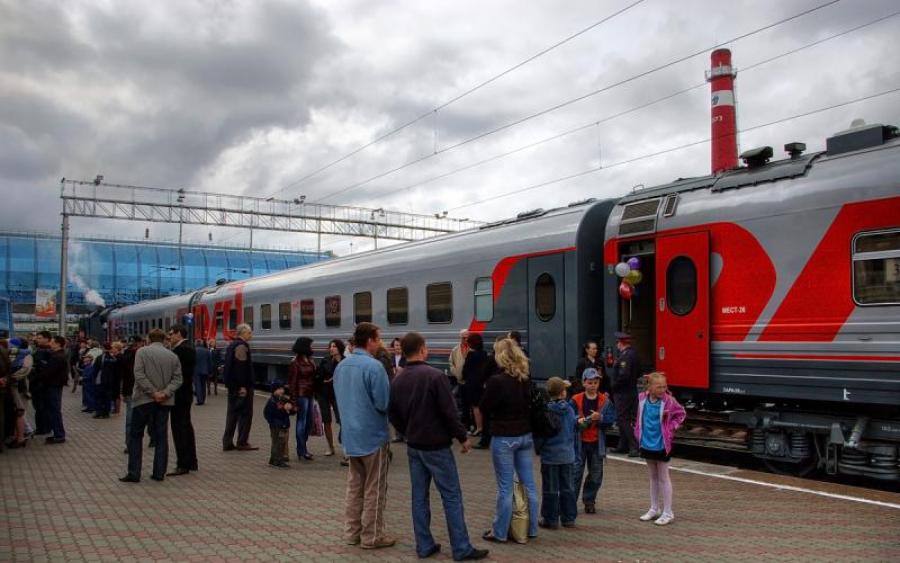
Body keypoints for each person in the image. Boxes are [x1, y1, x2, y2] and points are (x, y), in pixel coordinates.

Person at [388, 332, 489, 561]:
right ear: (423, 349)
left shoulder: (398, 379)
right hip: (437, 446)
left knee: (419, 496)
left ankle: (424, 545)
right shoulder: (435, 377)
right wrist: (463, 437)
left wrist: (407, 429)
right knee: (451, 496)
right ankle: (461, 548)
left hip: (414, 446)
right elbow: (449, 412)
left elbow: (392, 412)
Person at [333, 322, 394, 550]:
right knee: (374, 489)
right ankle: (372, 536)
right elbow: (383, 403)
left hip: (351, 436)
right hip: (373, 436)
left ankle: (352, 533)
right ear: (369, 340)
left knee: (354, 486)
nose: (380, 343)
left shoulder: (342, 366)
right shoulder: (374, 367)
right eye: (378, 339)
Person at [478, 338, 538, 543]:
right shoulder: (525, 379)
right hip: (525, 435)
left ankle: (500, 531)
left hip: (504, 436)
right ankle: (531, 529)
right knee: (528, 483)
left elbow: (484, 407)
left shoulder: (496, 381)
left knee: (505, 487)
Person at [121, 329, 183, 482]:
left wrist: (152, 392)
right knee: (161, 437)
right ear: (164, 340)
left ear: (149, 339)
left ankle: (134, 473)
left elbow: (139, 375)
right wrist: (165, 393)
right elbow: (178, 379)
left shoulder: (142, 352)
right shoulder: (172, 356)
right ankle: (158, 473)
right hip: (164, 402)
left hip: (143, 400)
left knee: (136, 435)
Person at [636, 372, 686, 526]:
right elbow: (640, 416)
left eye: (664, 386)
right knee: (653, 477)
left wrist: (671, 428)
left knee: (664, 477)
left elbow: (681, 414)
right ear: (649, 387)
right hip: (646, 442)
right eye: (658, 387)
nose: (662, 389)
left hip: (662, 443)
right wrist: (637, 432)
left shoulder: (669, 401)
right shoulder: (642, 398)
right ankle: (654, 508)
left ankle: (668, 512)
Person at [571, 368, 615, 514]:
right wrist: (578, 420)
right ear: (584, 383)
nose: (593, 385)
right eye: (590, 382)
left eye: (596, 382)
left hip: (597, 443)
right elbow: (569, 418)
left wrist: (600, 418)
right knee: (576, 473)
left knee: (596, 475)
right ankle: (570, 502)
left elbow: (611, 420)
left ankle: (589, 500)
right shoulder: (575, 399)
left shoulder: (605, 401)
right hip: (579, 443)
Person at [538, 377, 578, 529]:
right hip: (567, 455)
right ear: (563, 393)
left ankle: (550, 518)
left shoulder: (546, 410)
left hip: (550, 456)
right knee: (568, 487)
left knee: (550, 489)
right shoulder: (569, 409)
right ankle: (569, 518)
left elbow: (541, 434)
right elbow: (573, 428)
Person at [222, 324, 258, 451]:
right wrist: (242, 386)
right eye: (249, 333)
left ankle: (227, 442)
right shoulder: (241, 346)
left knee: (232, 414)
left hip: (233, 386)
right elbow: (240, 367)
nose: (251, 335)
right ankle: (242, 441)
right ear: (243, 333)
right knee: (245, 414)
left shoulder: (232, 345)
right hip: (242, 387)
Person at [168, 325, 197, 475]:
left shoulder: (182, 350)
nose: (170, 337)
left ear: (179, 334)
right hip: (185, 394)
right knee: (186, 427)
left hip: (180, 395)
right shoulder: (188, 348)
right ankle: (191, 461)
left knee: (179, 428)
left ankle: (183, 463)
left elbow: (178, 374)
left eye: (171, 334)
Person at [611, 332, 641, 456]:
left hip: (623, 392)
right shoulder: (633, 354)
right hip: (630, 391)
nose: (617, 345)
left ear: (621, 343)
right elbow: (639, 372)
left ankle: (634, 446)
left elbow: (623, 376)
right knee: (624, 418)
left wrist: (613, 387)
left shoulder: (625, 357)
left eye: (617, 342)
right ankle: (622, 445)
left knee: (622, 418)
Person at [288, 336, 316, 461]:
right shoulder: (295, 363)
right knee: (302, 422)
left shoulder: (310, 360)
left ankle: (303, 447)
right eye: (310, 345)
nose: (312, 347)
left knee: (309, 422)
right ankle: (301, 449)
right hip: (301, 395)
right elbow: (292, 383)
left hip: (309, 394)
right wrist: (293, 400)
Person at [315, 338, 344, 456]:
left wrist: (333, 379)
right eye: (330, 346)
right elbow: (319, 377)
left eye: (334, 346)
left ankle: (343, 442)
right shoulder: (325, 360)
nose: (331, 349)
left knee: (341, 420)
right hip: (324, 394)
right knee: (326, 420)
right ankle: (330, 447)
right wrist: (324, 380)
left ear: (340, 348)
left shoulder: (345, 361)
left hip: (338, 395)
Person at [6, 337, 33, 448]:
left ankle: (21, 437)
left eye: (11, 344)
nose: (9, 346)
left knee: (20, 411)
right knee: (17, 411)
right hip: (14, 386)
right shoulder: (14, 355)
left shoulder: (27, 356)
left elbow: (25, 370)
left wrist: (11, 378)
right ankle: (19, 435)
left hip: (20, 387)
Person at [42, 336, 69, 444]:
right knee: (54, 410)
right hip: (56, 385)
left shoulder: (57, 357)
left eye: (52, 342)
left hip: (53, 386)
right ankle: (58, 433)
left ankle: (59, 435)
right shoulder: (59, 355)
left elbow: (49, 372)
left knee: (54, 410)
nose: (50, 344)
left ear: (58, 344)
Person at [462, 333, 488, 437]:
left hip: (472, 383)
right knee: (481, 405)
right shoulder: (484, 354)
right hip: (482, 382)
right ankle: (483, 426)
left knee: (475, 406)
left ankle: (479, 428)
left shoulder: (471, 355)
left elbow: (465, 370)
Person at [264, 381, 293, 468]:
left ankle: (274, 459)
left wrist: (290, 408)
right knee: (278, 443)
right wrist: (272, 422)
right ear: (273, 391)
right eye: (279, 389)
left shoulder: (283, 400)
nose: (281, 391)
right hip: (276, 426)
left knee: (281, 442)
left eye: (282, 389)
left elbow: (292, 409)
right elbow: (267, 413)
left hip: (283, 425)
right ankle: (277, 460)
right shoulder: (272, 401)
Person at [29, 331, 53, 434]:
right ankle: (44, 427)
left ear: (47, 339)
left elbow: (43, 369)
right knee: (40, 407)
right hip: (39, 383)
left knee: (41, 407)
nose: (36, 339)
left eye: (39, 338)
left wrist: (34, 375)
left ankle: (43, 428)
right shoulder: (41, 350)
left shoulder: (45, 352)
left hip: (40, 384)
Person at [120, 337, 139, 454]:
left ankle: (130, 444)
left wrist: (122, 392)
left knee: (130, 420)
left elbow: (122, 377)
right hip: (144, 392)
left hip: (130, 392)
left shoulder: (124, 359)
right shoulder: (142, 358)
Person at [448, 330, 470, 429]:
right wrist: (456, 373)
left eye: (467, 337)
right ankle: (465, 423)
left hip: (470, 381)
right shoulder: (455, 350)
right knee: (463, 403)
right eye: (463, 337)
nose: (465, 339)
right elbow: (451, 363)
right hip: (460, 380)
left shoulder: (472, 349)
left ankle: (472, 423)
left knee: (472, 405)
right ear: (460, 338)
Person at [193, 339, 211, 406]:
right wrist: (210, 371)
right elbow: (210, 361)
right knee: (203, 385)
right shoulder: (207, 351)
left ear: (196, 343)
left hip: (196, 370)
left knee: (198, 385)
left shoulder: (194, 350)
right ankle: (203, 399)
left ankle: (199, 400)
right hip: (205, 370)